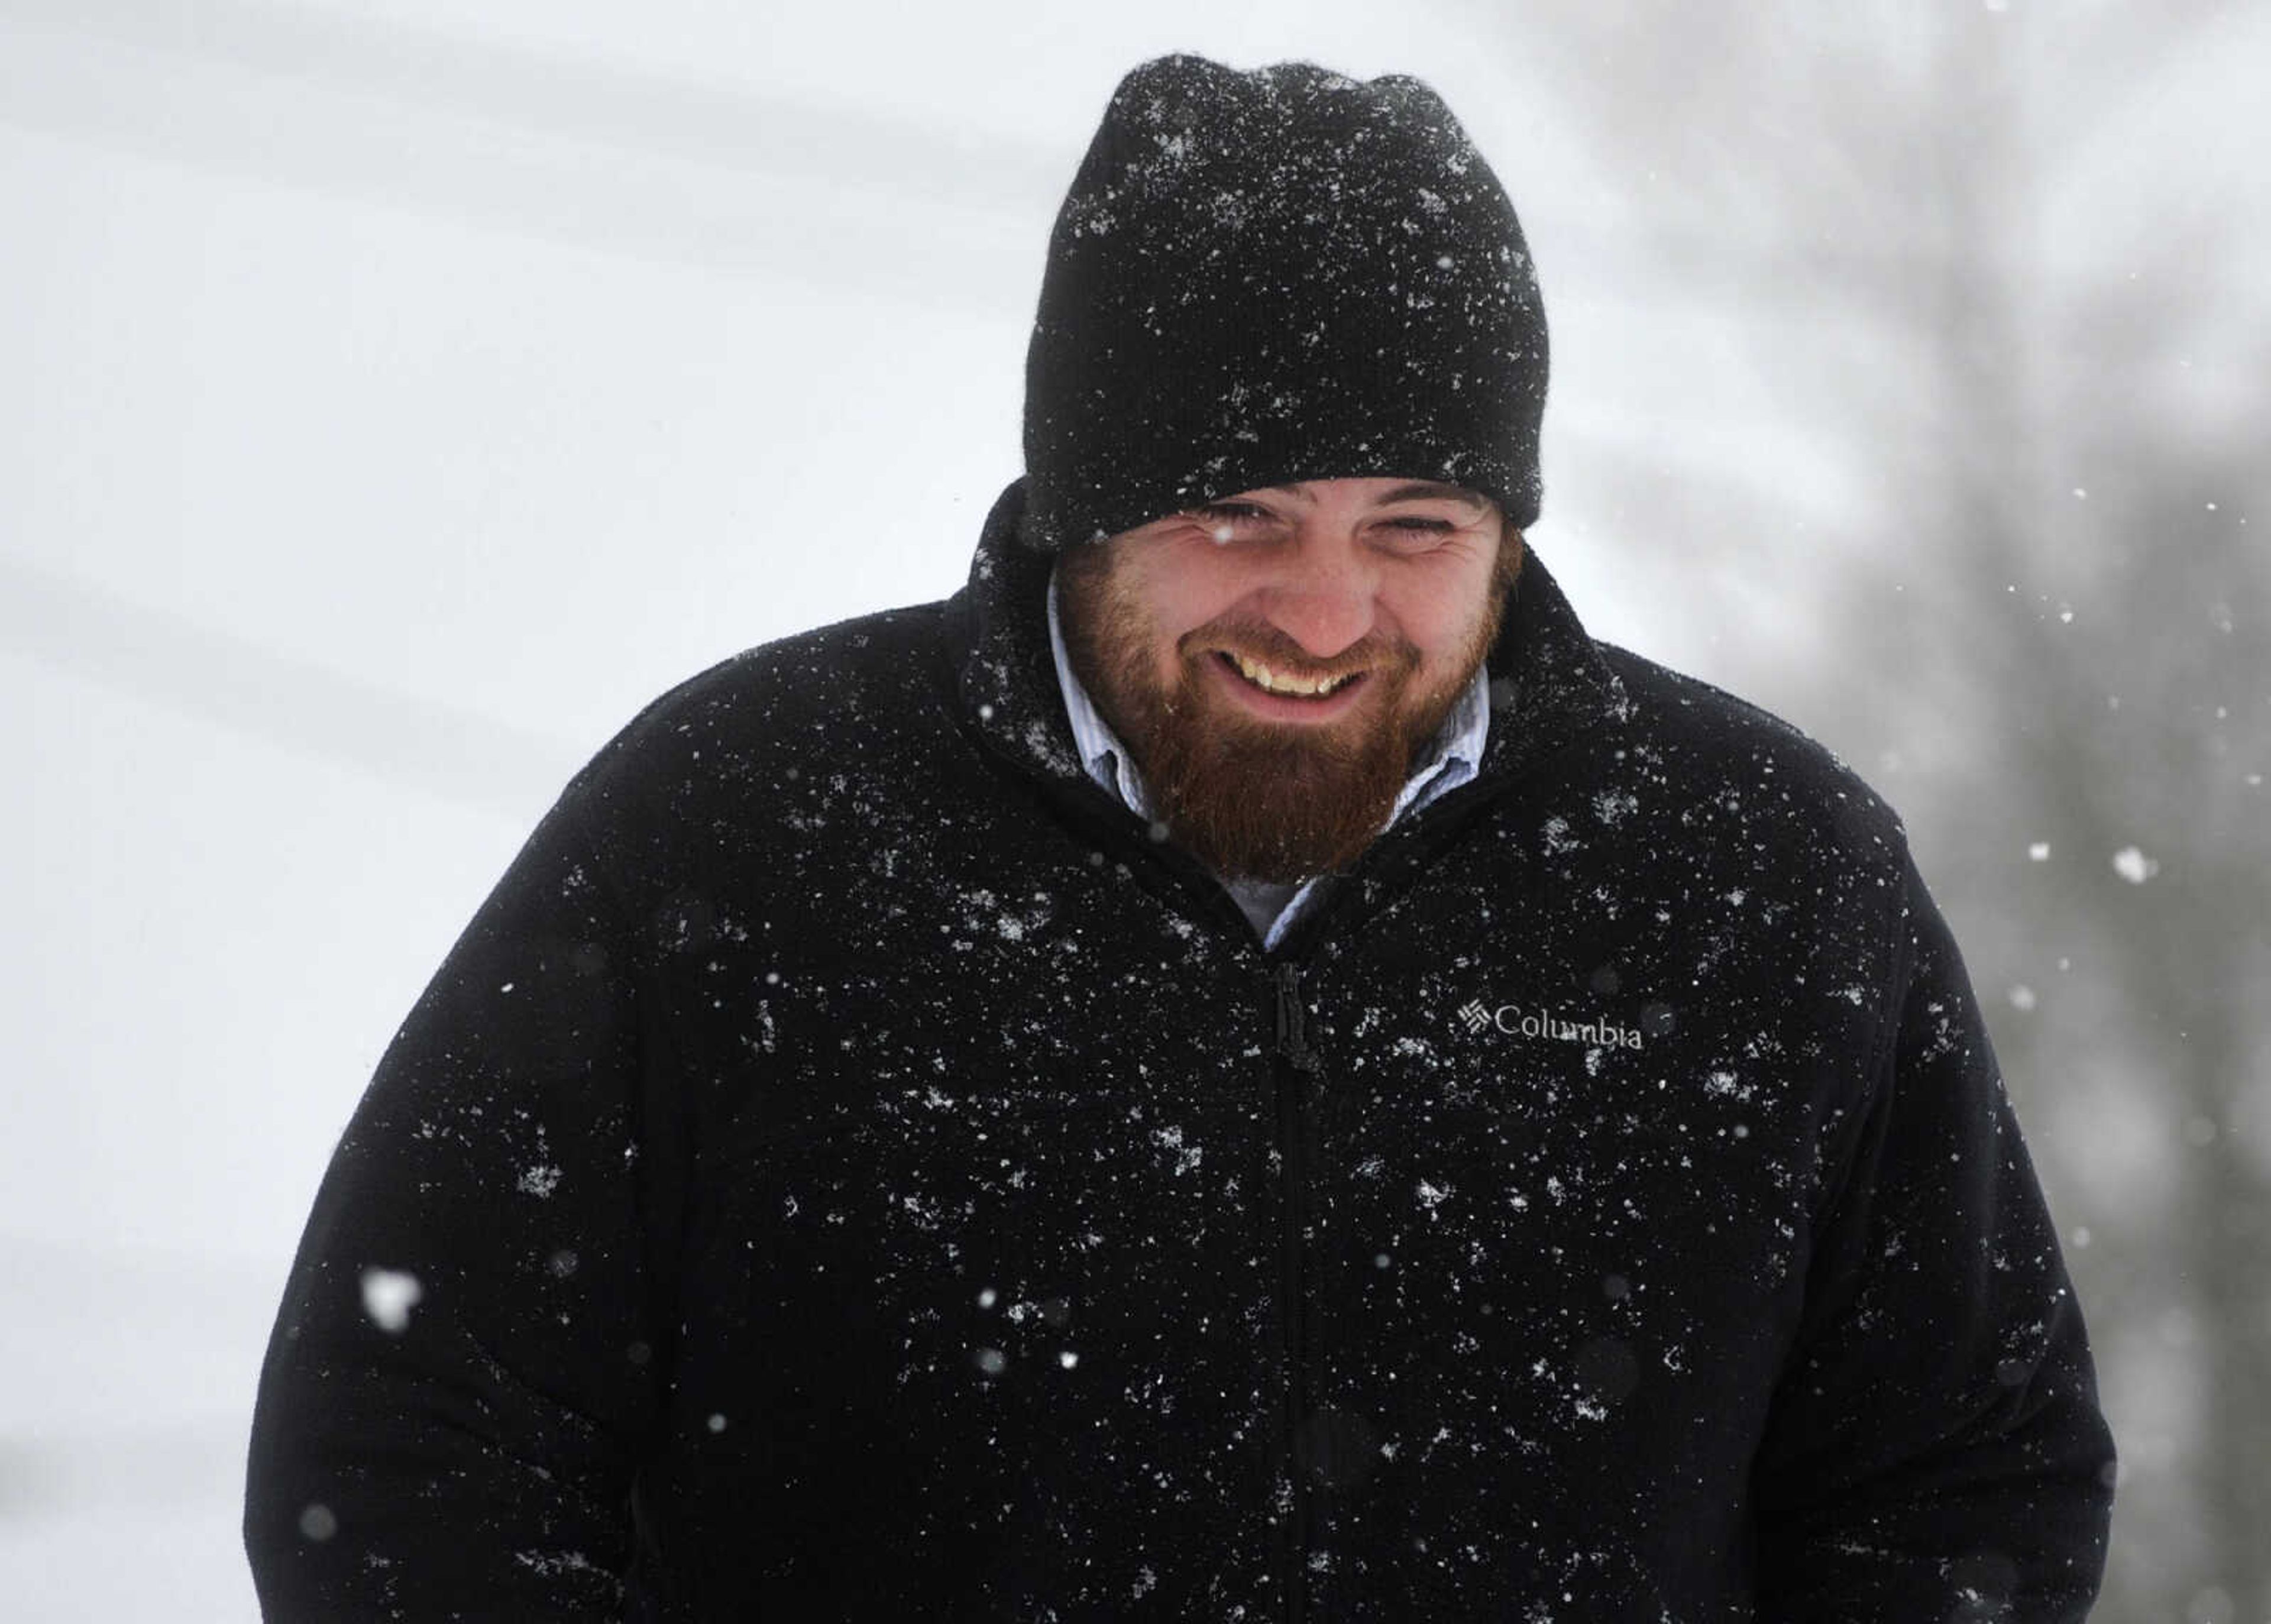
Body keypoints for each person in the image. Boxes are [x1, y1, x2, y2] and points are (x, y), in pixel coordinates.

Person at [244, 53, 2115, 1620]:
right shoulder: (740, 834)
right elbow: (405, 1440)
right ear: (1083, 505)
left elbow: (1968, 1480)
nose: (1322, 614)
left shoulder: (1760, 882)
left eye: (1415, 525)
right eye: (1237, 510)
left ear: (1513, 530)